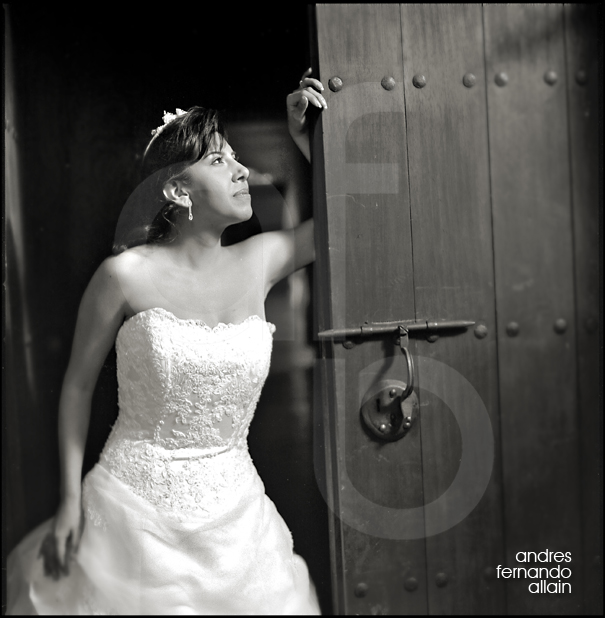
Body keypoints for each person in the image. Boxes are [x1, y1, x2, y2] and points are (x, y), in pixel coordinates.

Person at [6, 68, 329, 615]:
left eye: (235, 157)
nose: (241, 170)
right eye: (219, 160)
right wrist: (68, 502)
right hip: (131, 511)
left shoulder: (262, 259)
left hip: (237, 523)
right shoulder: (124, 275)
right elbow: (77, 386)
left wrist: (306, 140)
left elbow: (339, 228)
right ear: (179, 190)